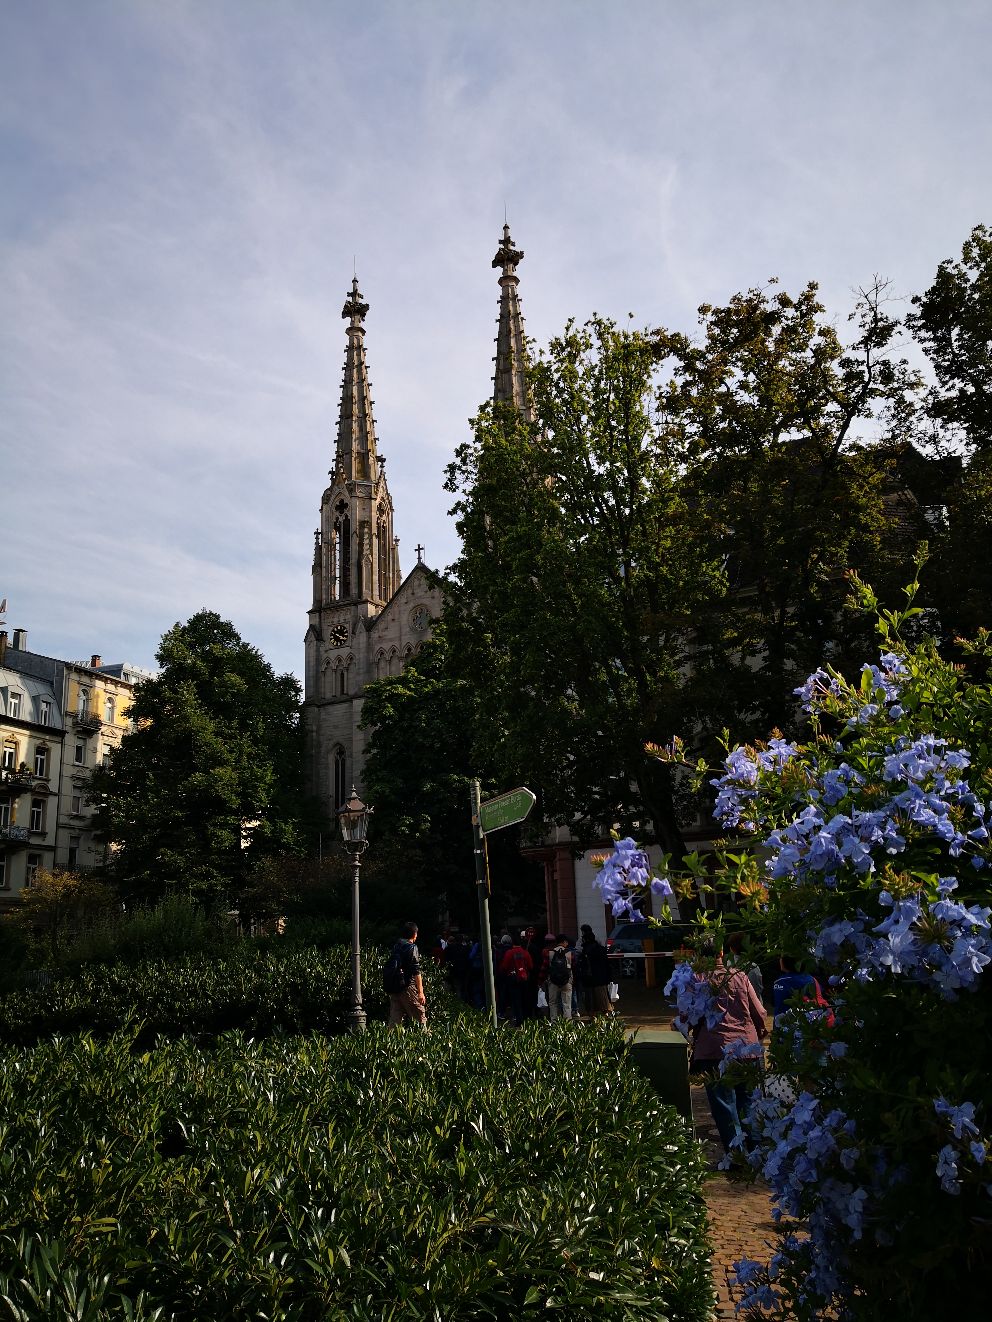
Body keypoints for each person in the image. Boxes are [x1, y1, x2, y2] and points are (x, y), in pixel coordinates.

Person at [689, 949, 767, 1154]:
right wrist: (759, 1031)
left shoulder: (698, 980)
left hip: (714, 1050)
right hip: (747, 1047)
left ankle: (736, 1156)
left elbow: (689, 1015)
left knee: (724, 1106)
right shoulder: (739, 975)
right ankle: (756, 1151)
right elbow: (759, 1011)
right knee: (749, 1101)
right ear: (722, 952)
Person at [386, 920, 427, 1029]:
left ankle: (388, 1043)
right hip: (407, 986)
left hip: (395, 986)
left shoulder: (396, 946)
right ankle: (425, 1040)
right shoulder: (412, 947)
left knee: (395, 1020)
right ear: (415, 934)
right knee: (419, 1016)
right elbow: (416, 971)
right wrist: (420, 992)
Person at [498, 933, 533, 1026]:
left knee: (515, 1000)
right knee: (524, 998)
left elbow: (504, 966)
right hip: (524, 979)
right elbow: (530, 966)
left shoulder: (509, 953)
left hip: (513, 979)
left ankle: (518, 1019)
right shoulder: (525, 952)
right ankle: (526, 1018)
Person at [578, 928, 613, 1019]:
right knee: (603, 999)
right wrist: (609, 977)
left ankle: (592, 1017)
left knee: (590, 1001)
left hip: (589, 980)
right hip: (601, 979)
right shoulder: (601, 949)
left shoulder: (585, 951)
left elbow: (582, 966)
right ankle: (605, 1015)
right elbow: (607, 964)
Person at [541, 933, 574, 1022]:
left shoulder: (550, 953)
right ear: (564, 942)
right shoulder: (569, 953)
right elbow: (573, 966)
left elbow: (544, 968)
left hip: (553, 981)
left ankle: (554, 1022)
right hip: (567, 981)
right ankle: (567, 1023)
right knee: (567, 1003)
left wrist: (541, 980)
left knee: (553, 1003)